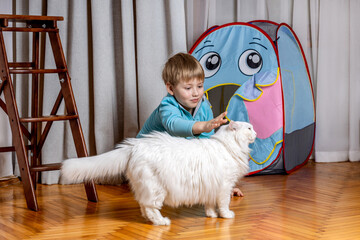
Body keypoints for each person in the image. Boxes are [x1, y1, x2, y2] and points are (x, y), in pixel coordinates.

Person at [137, 52, 243, 197]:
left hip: (172, 158)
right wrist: (204, 126)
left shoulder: (203, 106)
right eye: (188, 88)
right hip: (145, 159)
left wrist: (222, 187)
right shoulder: (167, 106)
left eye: (199, 86)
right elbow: (174, 125)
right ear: (170, 88)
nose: (196, 93)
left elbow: (207, 151)